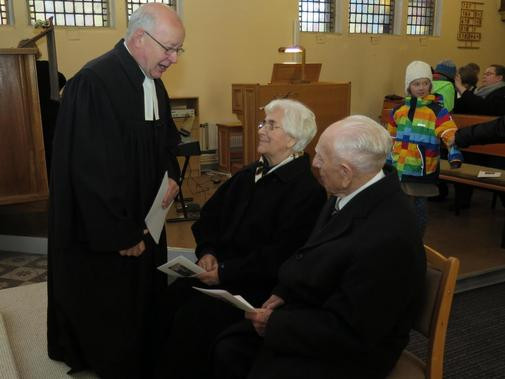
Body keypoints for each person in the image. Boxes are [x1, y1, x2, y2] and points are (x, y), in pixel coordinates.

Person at [212, 115, 427, 379]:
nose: (314, 163)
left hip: (353, 350)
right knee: (227, 344)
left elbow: (352, 331)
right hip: (319, 311)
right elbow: (311, 256)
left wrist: (275, 323)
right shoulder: (352, 192)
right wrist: (284, 292)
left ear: (346, 172)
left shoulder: (387, 236)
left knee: (245, 357)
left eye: (322, 158)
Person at [47, 4, 184, 378]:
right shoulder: (94, 82)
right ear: (140, 38)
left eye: (178, 51)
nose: (173, 59)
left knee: (144, 299)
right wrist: (120, 231)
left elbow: (166, 142)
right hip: (110, 228)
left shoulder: (151, 80)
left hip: (144, 217)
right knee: (109, 305)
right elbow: (91, 172)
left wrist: (172, 175)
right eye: (169, 48)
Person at [156, 99, 327, 378]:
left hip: (255, 288)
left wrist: (225, 272)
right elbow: (210, 218)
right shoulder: (249, 174)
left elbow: (282, 255)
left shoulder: (306, 192)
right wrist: (208, 252)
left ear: (293, 140)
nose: (261, 130)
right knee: (168, 299)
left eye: (272, 125)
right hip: (219, 273)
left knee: (192, 321)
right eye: (263, 123)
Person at [386, 60, 462, 234]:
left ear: (430, 84)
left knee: (418, 208)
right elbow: (390, 136)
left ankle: (417, 239)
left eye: (425, 83)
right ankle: (397, 237)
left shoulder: (437, 111)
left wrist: (453, 150)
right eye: (416, 84)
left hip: (422, 168)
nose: (421, 88)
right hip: (400, 167)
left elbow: (449, 131)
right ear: (408, 86)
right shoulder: (398, 110)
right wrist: (387, 158)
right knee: (398, 206)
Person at [17, 39, 67, 178]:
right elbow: (62, 80)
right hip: (51, 113)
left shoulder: (20, 69)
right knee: (52, 149)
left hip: (32, 114)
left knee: (36, 150)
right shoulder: (46, 66)